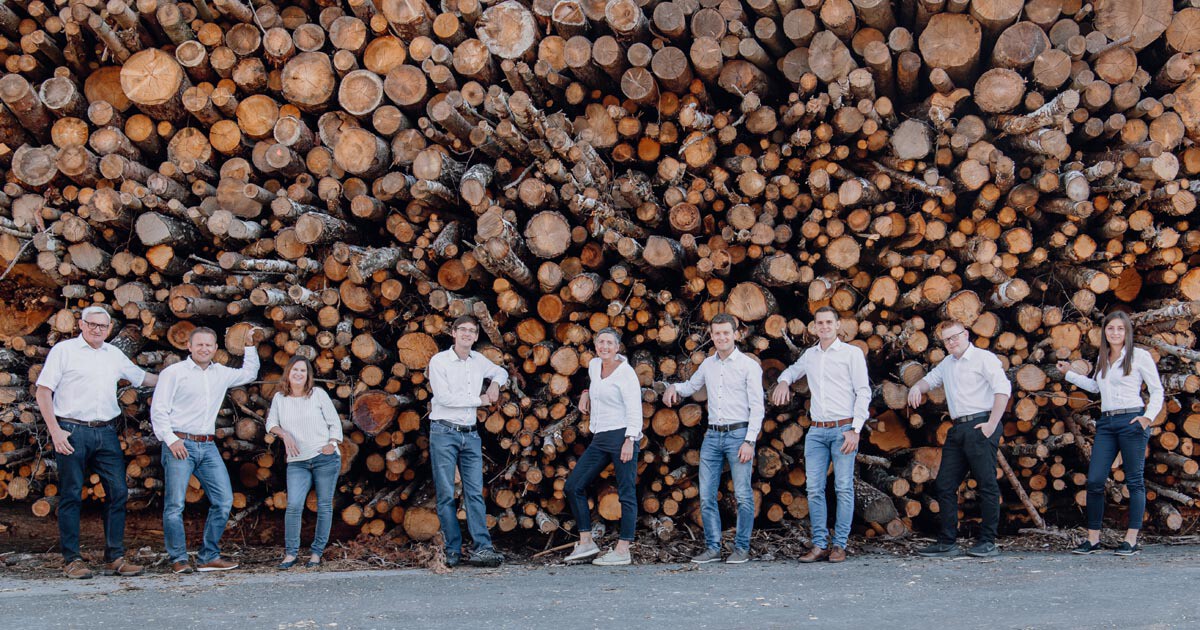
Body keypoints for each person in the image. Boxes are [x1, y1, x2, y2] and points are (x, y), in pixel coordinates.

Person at [35, 306, 159, 579]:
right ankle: (72, 560)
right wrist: (55, 431)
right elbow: (43, 392)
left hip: (105, 432)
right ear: (81, 324)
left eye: (102, 326)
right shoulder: (64, 351)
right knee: (71, 494)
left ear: (109, 328)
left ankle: (115, 557)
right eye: (91, 324)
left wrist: (179, 377)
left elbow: (143, 378)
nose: (97, 330)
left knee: (118, 492)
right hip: (71, 430)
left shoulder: (113, 354)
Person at [151, 326, 259, 573]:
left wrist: (250, 345)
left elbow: (249, 373)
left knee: (224, 500)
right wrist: (171, 439)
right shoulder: (174, 373)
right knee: (175, 505)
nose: (204, 349)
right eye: (199, 344)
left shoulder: (220, 373)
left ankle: (208, 556)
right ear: (189, 346)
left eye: (208, 345)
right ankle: (179, 559)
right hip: (179, 443)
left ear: (215, 348)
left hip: (207, 445)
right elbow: (158, 410)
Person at [1058, 311, 1163, 556]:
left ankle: (1131, 540)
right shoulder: (1104, 357)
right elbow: (1096, 387)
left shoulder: (1139, 356)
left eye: (1120, 328)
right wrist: (1069, 374)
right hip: (1106, 423)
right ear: (1104, 331)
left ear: (1127, 332)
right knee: (1095, 481)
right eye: (1110, 328)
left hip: (1132, 421)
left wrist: (1147, 418)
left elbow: (1157, 390)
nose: (1115, 333)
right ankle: (1093, 539)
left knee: (1134, 481)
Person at [771, 307, 870, 564]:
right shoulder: (810, 355)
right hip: (816, 431)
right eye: (820, 323)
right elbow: (792, 371)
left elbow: (863, 391)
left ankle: (839, 545)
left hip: (843, 429)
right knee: (814, 489)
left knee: (843, 488)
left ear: (837, 325)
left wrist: (855, 429)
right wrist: (783, 381)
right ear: (814, 327)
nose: (824, 326)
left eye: (829, 322)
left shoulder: (851, 354)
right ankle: (819, 544)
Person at [663, 313, 764, 564]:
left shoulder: (749, 366)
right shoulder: (708, 365)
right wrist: (673, 387)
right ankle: (713, 548)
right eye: (717, 333)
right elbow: (691, 386)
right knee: (707, 495)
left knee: (743, 495)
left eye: (726, 333)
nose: (721, 337)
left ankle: (742, 548)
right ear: (711, 335)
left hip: (739, 434)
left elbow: (757, 407)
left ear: (735, 334)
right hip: (712, 436)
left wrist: (750, 441)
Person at [907, 321, 1011, 558]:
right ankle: (947, 542)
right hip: (957, 428)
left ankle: (987, 542)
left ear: (966, 334)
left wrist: (991, 425)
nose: (951, 342)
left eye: (955, 337)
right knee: (944, 484)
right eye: (946, 340)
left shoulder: (983, 358)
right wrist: (916, 388)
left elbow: (1003, 390)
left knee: (986, 484)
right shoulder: (947, 363)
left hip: (981, 423)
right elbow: (930, 380)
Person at [426, 315, 508, 567]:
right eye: (462, 329)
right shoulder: (439, 361)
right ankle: (452, 549)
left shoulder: (478, 360)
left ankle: (482, 548)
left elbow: (501, 371)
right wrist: (479, 400)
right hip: (444, 432)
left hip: (470, 434)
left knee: (474, 493)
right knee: (446, 493)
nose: (467, 334)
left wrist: (495, 384)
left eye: (472, 331)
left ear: (476, 336)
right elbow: (444, 398)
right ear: (453, 333)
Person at [563, 328, 642, 566]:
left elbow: (634, 407)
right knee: (573, 486)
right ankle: (586, 542)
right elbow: (593, 383)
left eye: (609, 343)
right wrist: (586, 393)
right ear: (596, 345)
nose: (604, 346)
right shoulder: (595, 365)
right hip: (600, 438)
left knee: (626, 493)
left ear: (617, 347)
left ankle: (623, 550)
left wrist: (630, 439)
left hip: (621, 436)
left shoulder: (626, 373)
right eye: (601, 342)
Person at [266, 355, 343, 569]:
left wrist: (332, 443)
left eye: (303, 370)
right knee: (293, 505)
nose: (299, 374)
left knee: (324, 505)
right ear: (288, 373)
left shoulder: (317, 394)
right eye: (295, 370)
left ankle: (316, 553)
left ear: (308, 375)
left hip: (324, 458)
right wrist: (284, 434)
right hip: (297, 462)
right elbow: (271, 423)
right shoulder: (280, 398)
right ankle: (291, 553)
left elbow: (334, 423)